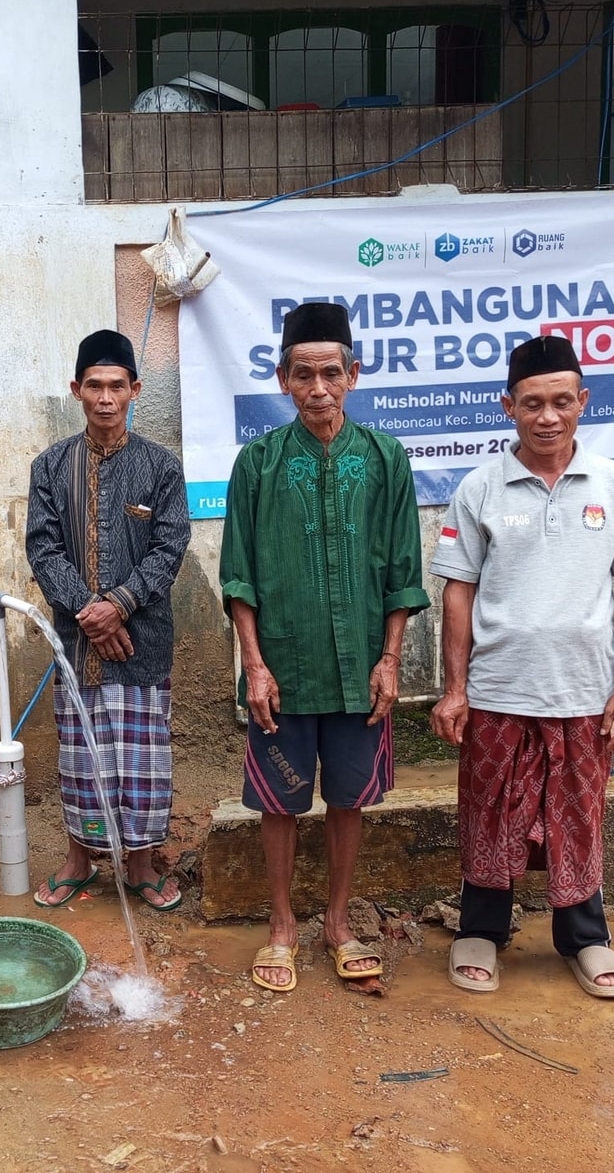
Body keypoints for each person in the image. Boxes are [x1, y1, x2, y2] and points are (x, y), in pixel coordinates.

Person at [429, 334, 614, 998]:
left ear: (582, 401)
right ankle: (481, 930)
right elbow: (457, 592)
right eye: (532, 403)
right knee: (488, 814)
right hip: (498, 692)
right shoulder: (480, 488)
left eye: (561, 401)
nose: (548, 416)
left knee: (578, 817)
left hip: (583, 694)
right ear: (509, 407)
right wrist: (454, 690)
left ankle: (585, 938)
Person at [220, 302, 429, 993]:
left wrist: (390, 660)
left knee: (348, 798)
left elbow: (402, 573)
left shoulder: (385, 458)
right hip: (284, 666)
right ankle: (282, 925)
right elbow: (239, 575)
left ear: (353, 375)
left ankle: (337, 922)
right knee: (279, 802)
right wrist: (254, 666)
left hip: (360, 668)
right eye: (303, 375)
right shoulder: (258, 463)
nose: (318, 389)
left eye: (330, 374)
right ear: (282, 379)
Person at [26, 329, 191, 911]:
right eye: (93, 385)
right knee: (81, 754)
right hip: (77, 643)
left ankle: (141, 864)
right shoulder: (50, 466)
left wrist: (119, 604)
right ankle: (80, 859)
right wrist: (90, 613)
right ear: (76, 389)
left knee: (143, 760)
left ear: (134, 390)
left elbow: (170, 547)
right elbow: (43, 548)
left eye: (116, 386)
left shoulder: (160, 467)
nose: (105, 398)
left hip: (143, 642)